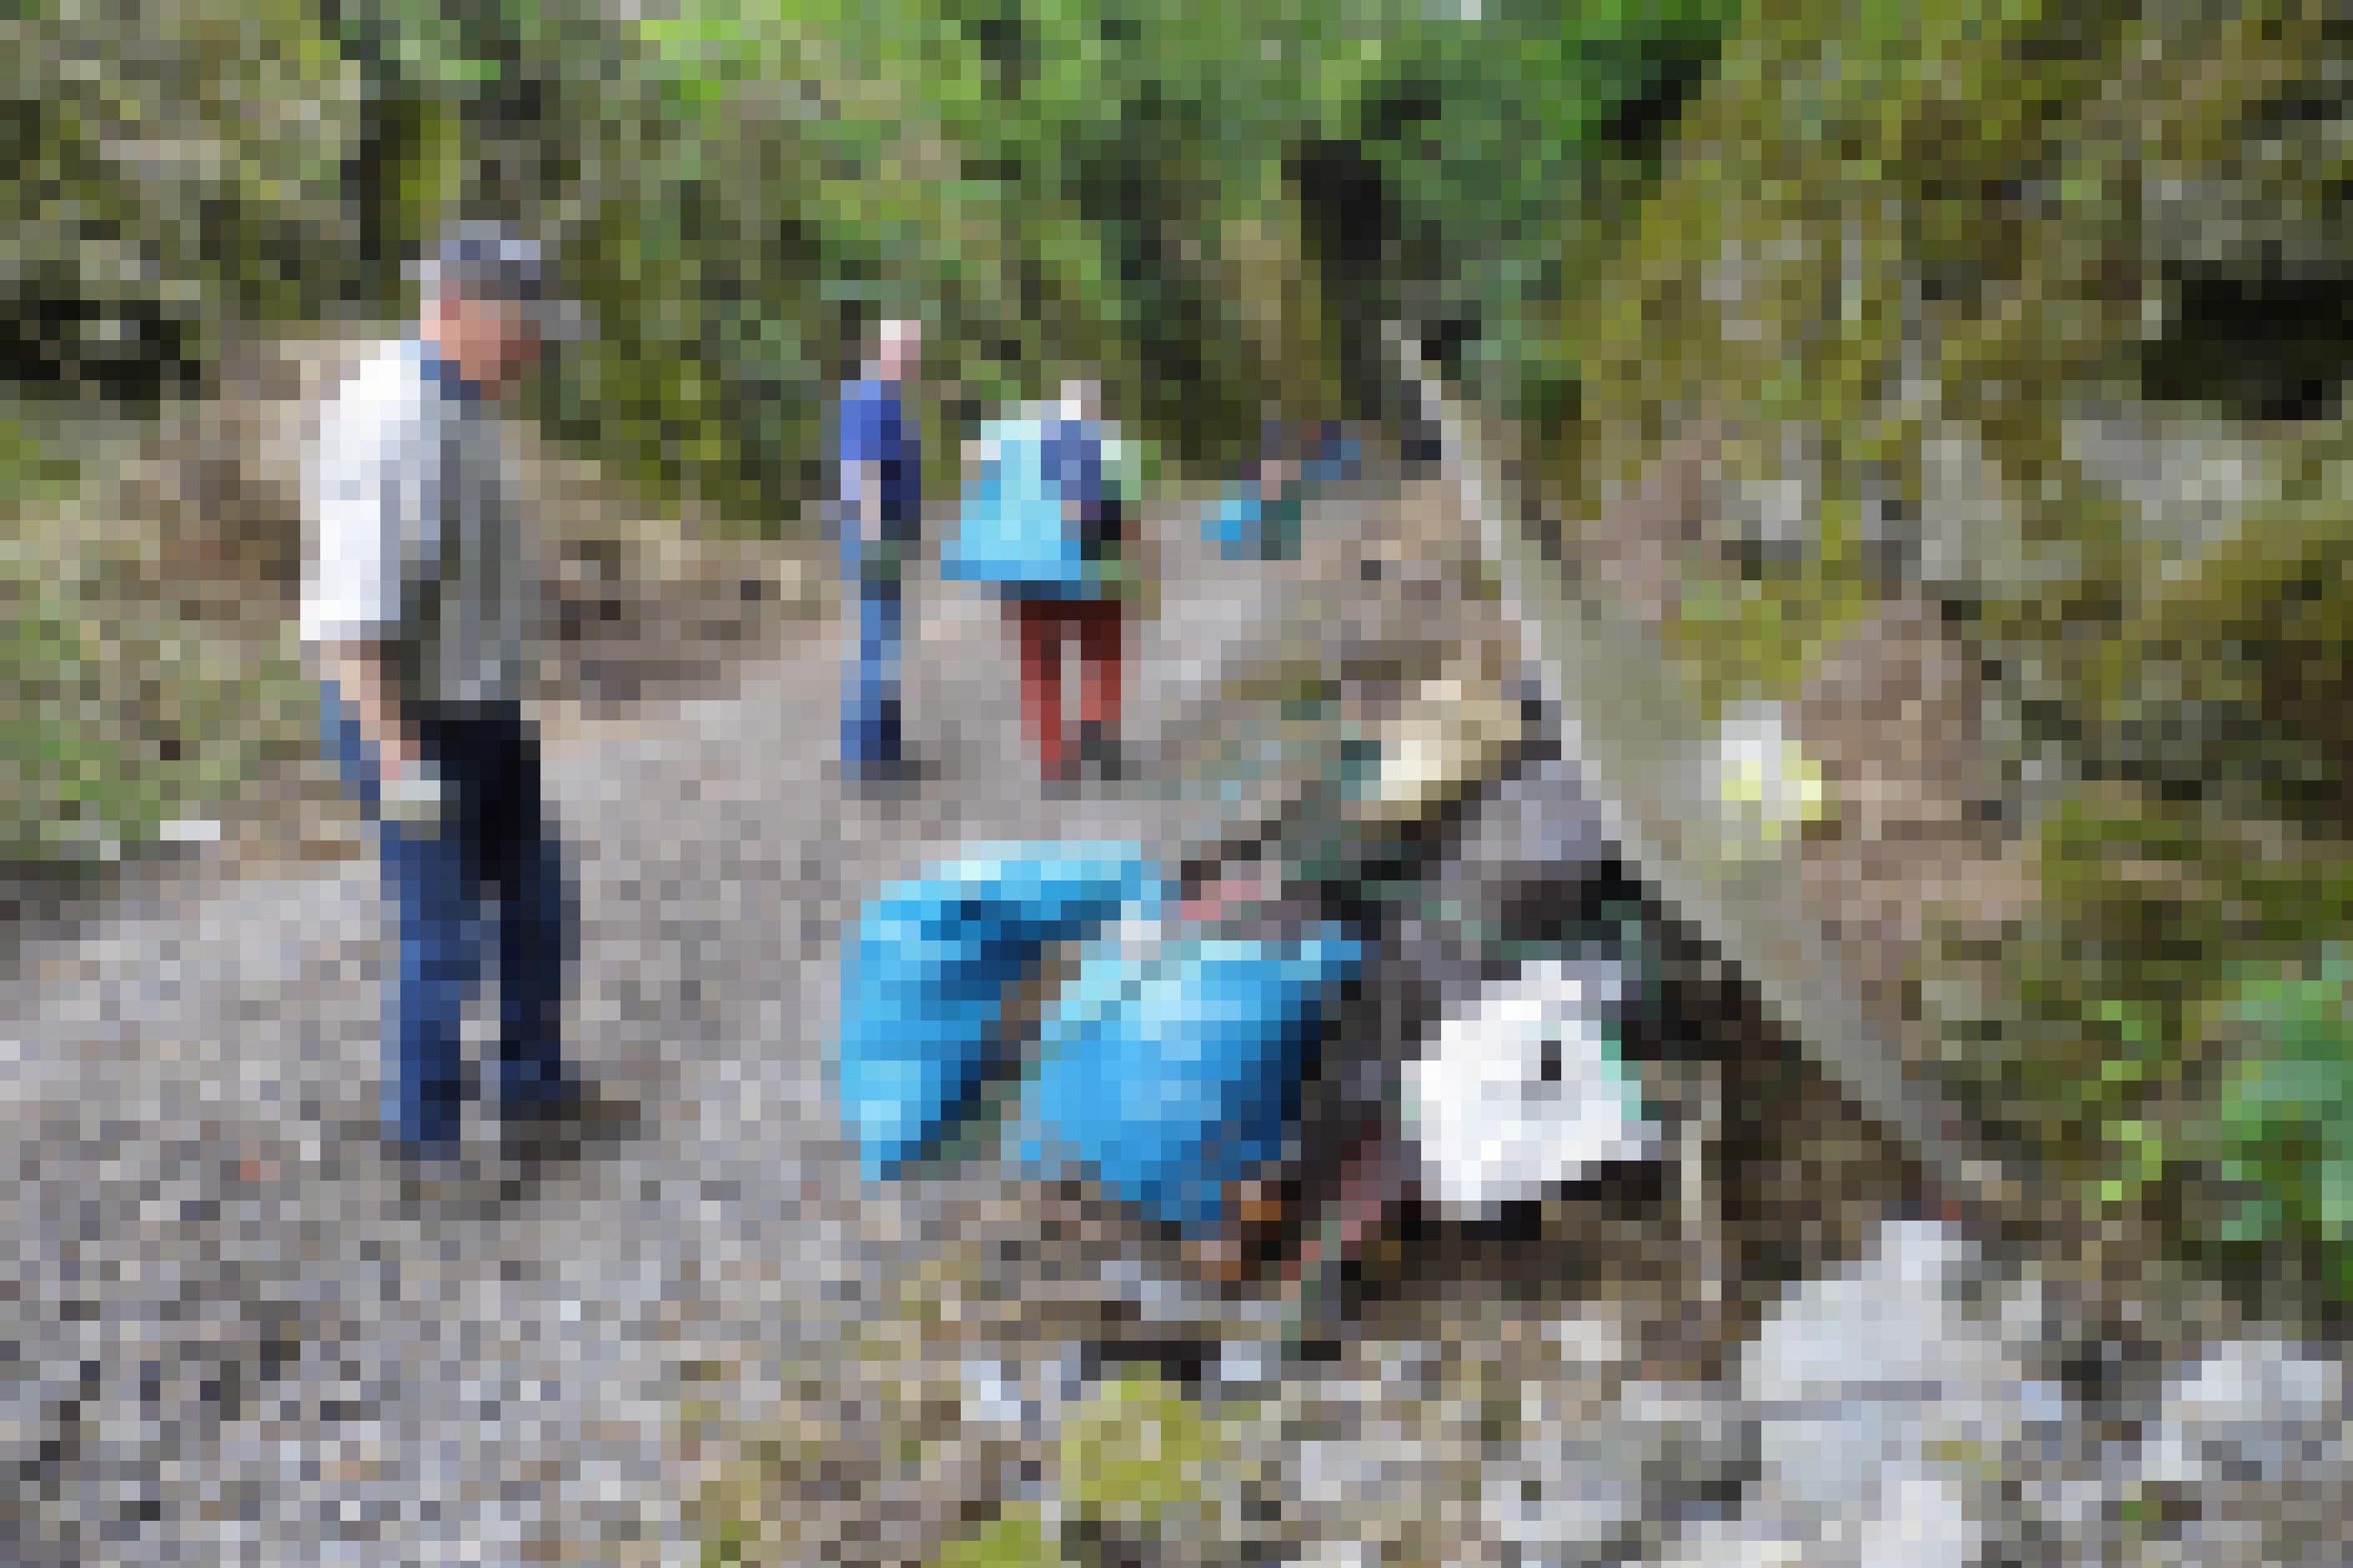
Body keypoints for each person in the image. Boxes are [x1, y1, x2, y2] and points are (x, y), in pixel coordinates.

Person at [303, 221, 608, 1179]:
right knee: (443, 936)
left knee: (536, 904)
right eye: (520, 328)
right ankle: (424, 1140)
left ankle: (531, 1084)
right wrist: (398, 763)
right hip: (412, 721)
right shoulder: (391, 421)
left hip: (481, 711)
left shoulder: (465, 403)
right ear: (455, 308)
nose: (532, 349)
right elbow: (348, 624)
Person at [836, 315, 925, 784]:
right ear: (887, 350)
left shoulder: (886, 399)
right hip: (875, 535)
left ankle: (883, 746)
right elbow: (863, 473)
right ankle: (868, 757)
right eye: (909, 352)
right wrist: (873, 536)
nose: (915, 363)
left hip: (886, 534)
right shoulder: (871, 399)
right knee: (875, 643)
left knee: (885, 641)